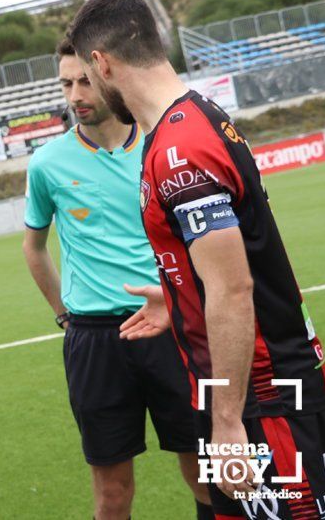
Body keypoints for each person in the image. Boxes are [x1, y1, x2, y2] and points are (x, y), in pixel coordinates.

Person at [69, 0, 325, 519]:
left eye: (87, 76)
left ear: (102, 63)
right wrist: (178, 296)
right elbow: (221, 268)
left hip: (264, 394)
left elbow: (234, 289)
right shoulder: (184, 123)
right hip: (228, 391)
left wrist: (229, 424)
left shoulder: (181, 150)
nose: (87, 89)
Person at [22, 38, 212, 520]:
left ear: (107, 75)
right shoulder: (47, 164)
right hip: (96, 343)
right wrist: (64, 315)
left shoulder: (159, 145)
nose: (74, 94)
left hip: (172, 329)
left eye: (84, 80)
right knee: (112, 493)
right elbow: (35, 247)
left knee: (207, 475)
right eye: (65, 83)